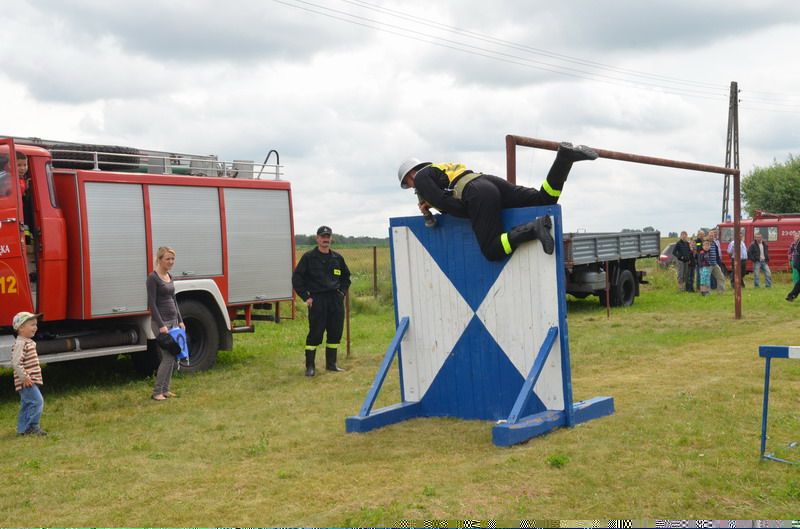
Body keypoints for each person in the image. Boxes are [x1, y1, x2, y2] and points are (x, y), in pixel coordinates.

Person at [397, 142, 598, 261]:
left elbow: (445, 202)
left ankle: (533, 228)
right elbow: (446, 194)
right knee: (544, 199)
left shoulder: (420, 178)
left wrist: (474, 213)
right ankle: (564, 159)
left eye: (408, 183)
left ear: (411, 174)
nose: (413, 188)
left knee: (492, 250)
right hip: (487, 182)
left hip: (476, 194)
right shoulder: (437, 168)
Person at [292, 226, 351, 376]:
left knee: (335, 332)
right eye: (323, 237)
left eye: (328, 237)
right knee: (316, 333)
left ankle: (331, 364)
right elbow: (297, 278)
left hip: (335, 300)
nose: (326, 239)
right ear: (317, 238)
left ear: (331, 239)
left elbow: (346, 278)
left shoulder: (337, 258)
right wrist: (306, 297)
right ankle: (310, 367)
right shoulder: (309, 257)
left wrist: (342, 293)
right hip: (317, 300)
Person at [146, 246, 185, 401]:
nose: (171, 262)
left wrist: (180, 320)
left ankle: (166, 390)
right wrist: (161, 325)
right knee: (168, 357)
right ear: (159, 260)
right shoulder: (152, 278)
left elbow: (174, 299)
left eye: (173, 259)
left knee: (173, 356)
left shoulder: (169, 276)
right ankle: (157, 393)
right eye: (167, 259)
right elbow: (152, 303)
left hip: (173, 322)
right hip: (161, 324)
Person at [11, 311, 47, 436]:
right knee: (37, 401)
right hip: (27, 381)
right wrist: (24, 377)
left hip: (30, 379)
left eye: (36, 324)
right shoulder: (20, 343)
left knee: (27, 404)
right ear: (21, 328)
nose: (35, 327)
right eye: (32, 325)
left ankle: (22, 429)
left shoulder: (28, 342)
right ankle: (32, 427)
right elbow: (16, 363)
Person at [706, 230, 725, 294]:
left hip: (715, 263)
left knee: (721, 277)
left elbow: (717, 253)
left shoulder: (715, 243)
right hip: (708, 264)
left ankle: (721, 291)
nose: (711, 237)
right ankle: (707, 292)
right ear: (707, 236)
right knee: (707, 278)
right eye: (710, 236)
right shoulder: (705, 243)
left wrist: (718, 261)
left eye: (713, 236)